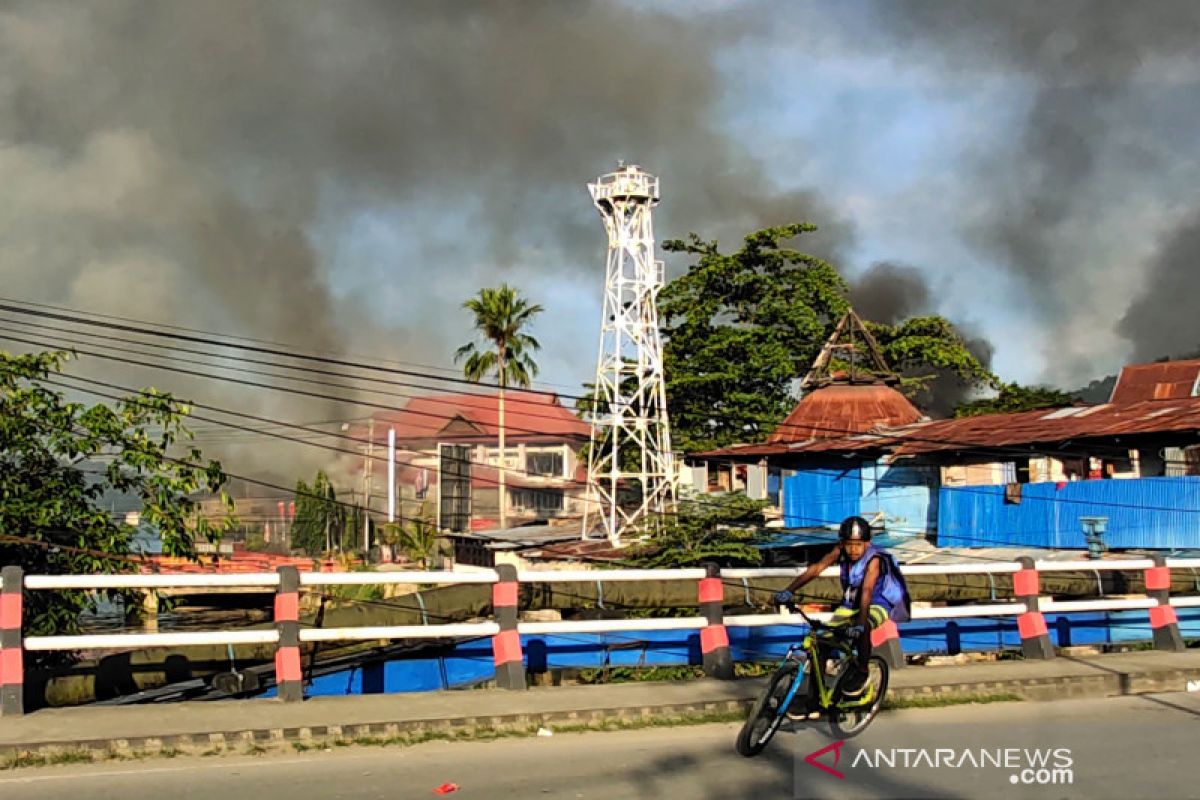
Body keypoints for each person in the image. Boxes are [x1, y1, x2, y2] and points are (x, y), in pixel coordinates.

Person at [774, 516, 908, 696]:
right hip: (850, 604)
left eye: (858, 544)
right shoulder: (840, 550)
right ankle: (815, 700)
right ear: (842, 543)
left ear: (867, 543)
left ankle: (862, 670)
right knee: (821, 646)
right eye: (849, 544)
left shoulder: (874, 559)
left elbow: (867, 590)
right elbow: (817, 568)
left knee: (865, 626)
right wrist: (788, 591)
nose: (853, 550)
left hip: (877, 603)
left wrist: (860, 624)